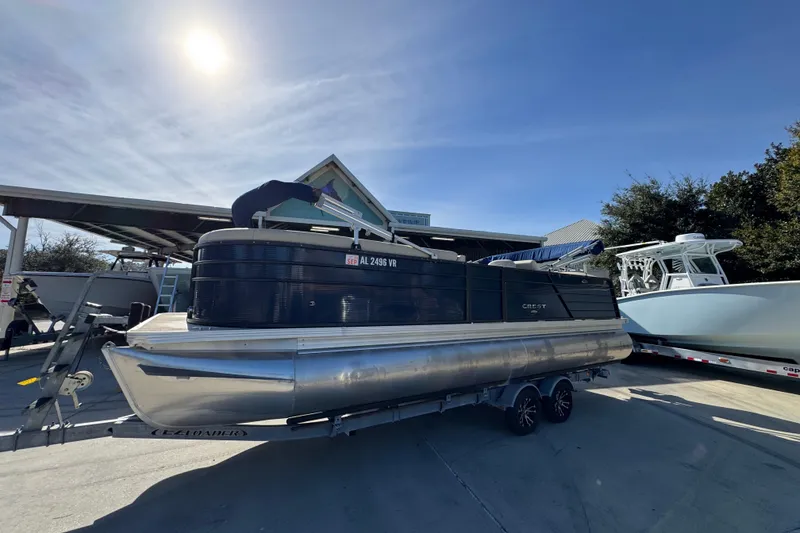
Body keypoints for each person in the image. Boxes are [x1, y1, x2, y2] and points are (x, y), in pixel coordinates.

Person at [231, 179, 342, 228]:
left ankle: (323, 191)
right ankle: (321, 191)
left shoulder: (239, 211)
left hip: (267, 192)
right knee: (290, 191)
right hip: (267, 191)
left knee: (290, 191)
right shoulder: (241, 212)